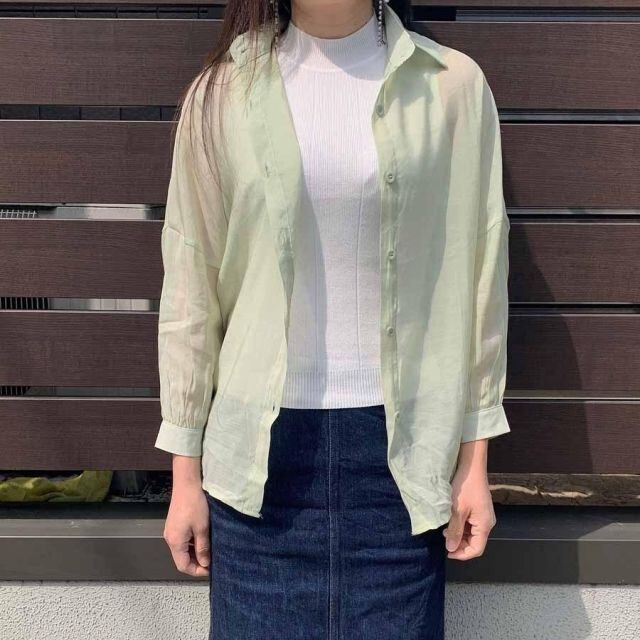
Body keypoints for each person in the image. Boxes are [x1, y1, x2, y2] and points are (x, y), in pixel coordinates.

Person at [154, 1, 511, 638]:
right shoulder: (219, 95)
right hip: (257, 465)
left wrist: (473, 461)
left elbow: (481, 272)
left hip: (401, 463)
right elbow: (190, 286)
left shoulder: (451, 86)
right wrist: (184, 476)